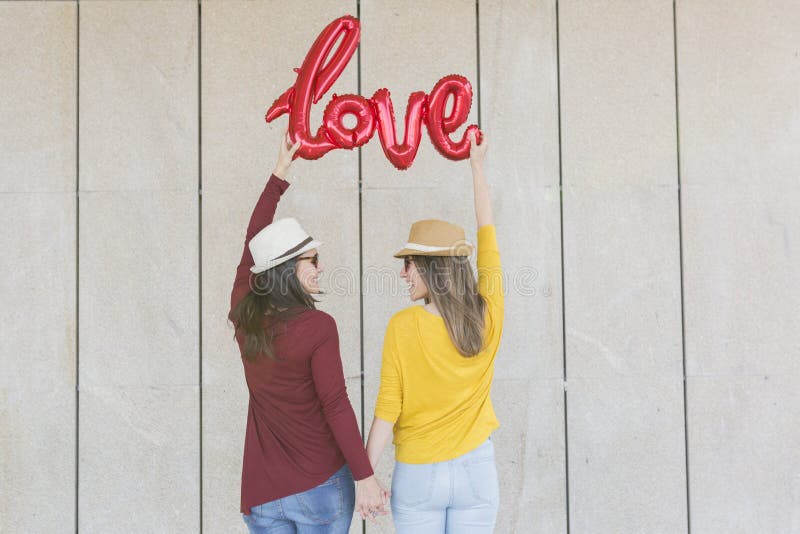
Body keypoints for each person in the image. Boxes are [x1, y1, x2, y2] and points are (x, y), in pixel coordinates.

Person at [230, 134, 387, 533]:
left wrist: (278, 174)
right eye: (311, 259)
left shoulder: (245, 321)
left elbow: (253, 248)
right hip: (322, 487)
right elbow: (335, 404)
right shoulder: (318, 327)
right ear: (286, 269)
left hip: (263, 495)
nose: (318, 267)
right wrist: (364, 476)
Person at [365, 132, 503, 533]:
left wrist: (363, 475)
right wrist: (477, 167)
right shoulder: (487, 313)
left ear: (428, 267)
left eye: (409, 264)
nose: (403, 274)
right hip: (477, 471)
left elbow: (388, 409)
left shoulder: (402, 326)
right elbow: (487, 233)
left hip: (419, 476)